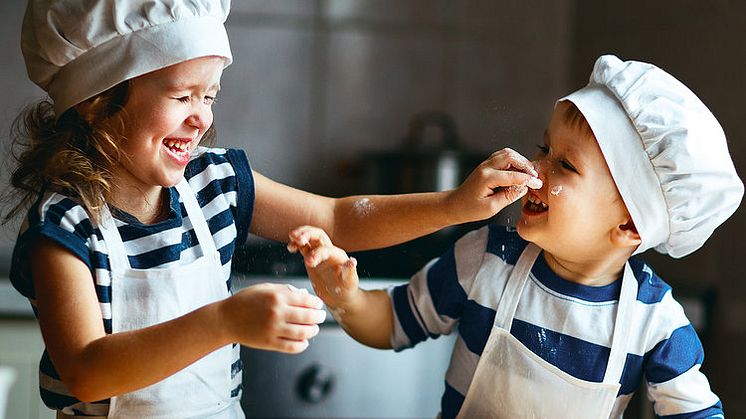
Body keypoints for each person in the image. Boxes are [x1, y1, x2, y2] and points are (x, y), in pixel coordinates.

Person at [3, 1, 545, 418]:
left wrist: (454, 206)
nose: (201, 119)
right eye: (182, 95)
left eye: (210, 96)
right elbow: (87, 371)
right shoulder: (65, 228)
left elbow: (337, 218)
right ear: (98, 99)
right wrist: (224, 320)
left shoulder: (216, 184)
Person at [289, 54, 744, 418]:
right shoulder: (485, 260)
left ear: (628, 226)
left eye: (564, 165)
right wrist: (346, 299)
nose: (534, 170)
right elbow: (392, 323)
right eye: (543, 148)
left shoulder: (655, 323)